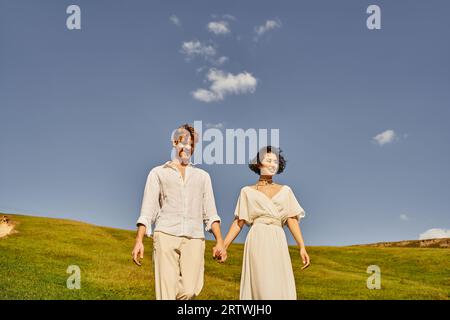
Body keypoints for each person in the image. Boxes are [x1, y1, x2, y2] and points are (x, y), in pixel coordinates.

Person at [131, 123, 226, 300]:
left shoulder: (203, 177)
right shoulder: (158, 173)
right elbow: (147, 210)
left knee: (190, 290)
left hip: (194, 237)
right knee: (165, 292)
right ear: (174, 143)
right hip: (165, 234)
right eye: (183, 143)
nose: (187, 147)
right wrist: (139, 240)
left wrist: (220, 241)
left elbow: (211, 212)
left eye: (191, 144)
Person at [222, 146, 310, 300]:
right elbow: (239, 222)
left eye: (275, 161)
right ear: (258, 164)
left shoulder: (286, 191)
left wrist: (302, 246)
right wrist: (224, 246)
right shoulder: (246, 191)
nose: (272, 164)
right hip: (257, 238)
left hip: (277, 238)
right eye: (268, 160)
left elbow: (291, 220)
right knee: (261, 285)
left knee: (278, 285)